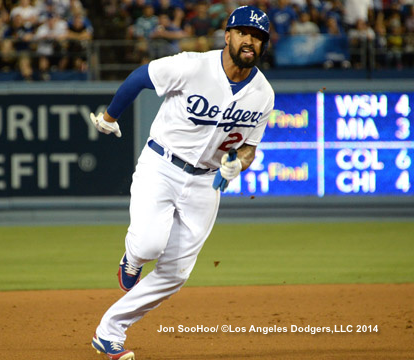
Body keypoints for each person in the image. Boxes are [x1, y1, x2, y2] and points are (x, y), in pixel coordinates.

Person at [89, 5, 275, 360]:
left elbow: (249, 147)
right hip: (162, 165)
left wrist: (238, 165)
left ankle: (109, 332)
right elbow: (141, 77)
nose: (251, 41)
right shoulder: (193, 65)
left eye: (259, 37)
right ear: (228, 35)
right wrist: (111, 116)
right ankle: (132, 258)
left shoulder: (263, 94)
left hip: (205, 184)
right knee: (148, 245)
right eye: (245, 33)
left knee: (175, 273)